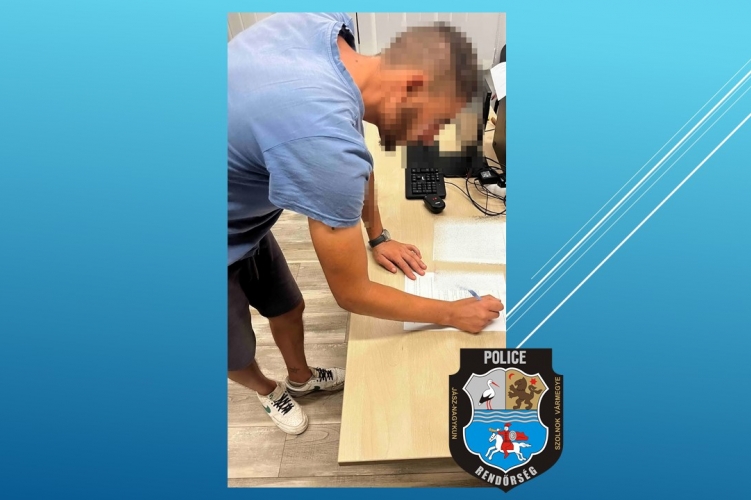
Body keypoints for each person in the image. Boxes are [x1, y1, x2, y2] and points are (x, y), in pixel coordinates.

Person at [227, 13, 504, 435]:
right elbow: (352, 293)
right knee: (233, 349)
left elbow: (355, 152)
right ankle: (267, 389)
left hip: (245, 219)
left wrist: (377, 235)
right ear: (412, 83)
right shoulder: (321, 139)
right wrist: (451, 312)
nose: (424, 139)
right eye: (432, 123)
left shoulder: (328, 30)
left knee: (288, 306)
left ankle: (300, 377)